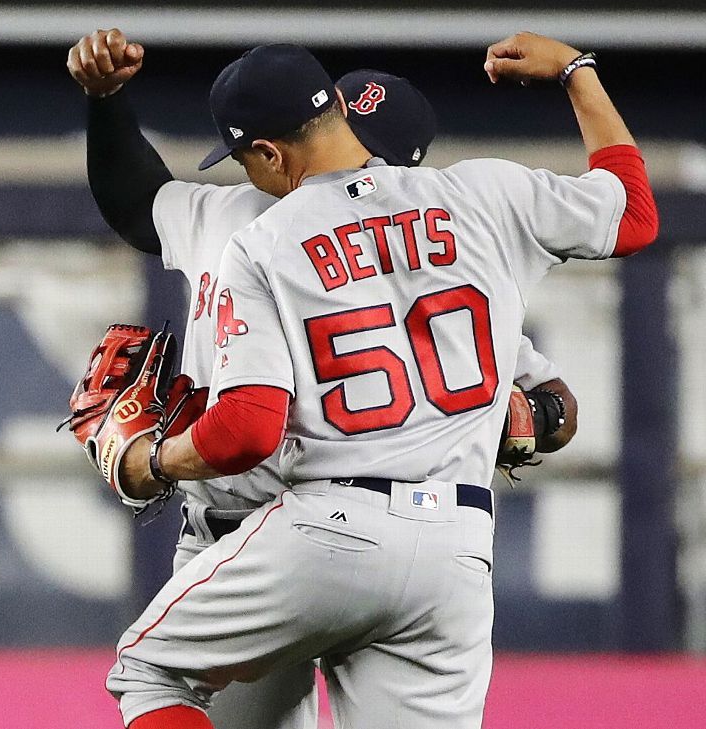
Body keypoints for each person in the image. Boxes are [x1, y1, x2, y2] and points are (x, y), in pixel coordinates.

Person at [102, 32, 656, 729]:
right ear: (336, 108)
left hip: (322, 528)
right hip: (455, 541)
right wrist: (577, 72)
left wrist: (148, 460)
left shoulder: (267, 238)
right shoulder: (483, 193)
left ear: (269, 151)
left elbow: (246, 429)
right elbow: (636, 215)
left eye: (247, 159)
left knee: (149, 670)